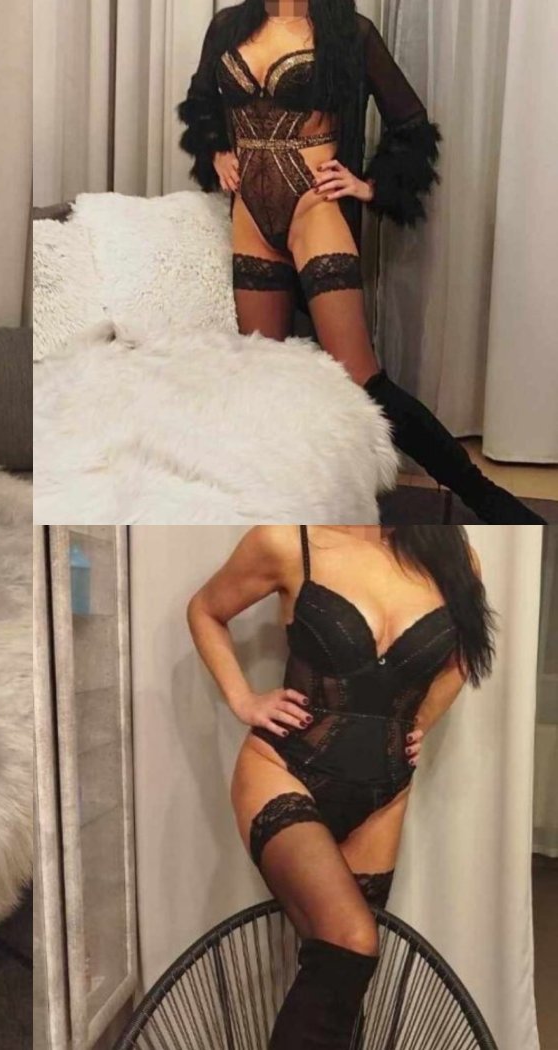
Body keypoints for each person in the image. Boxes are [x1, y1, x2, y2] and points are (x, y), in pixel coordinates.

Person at [177, 0, 543, 524]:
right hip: (251, 218)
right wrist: (216, 150)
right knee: (261, 374)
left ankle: (484, 496)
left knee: (361, 378)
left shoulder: (350, 32)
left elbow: (411, 125)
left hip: (314, 208)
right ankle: (283, 503)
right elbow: (200, 104)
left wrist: (371, 185)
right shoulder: (228, 26)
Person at [187, 525, 496, 1049]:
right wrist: (243, 699)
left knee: (342, 981)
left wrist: (419, 721)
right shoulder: (288, 539)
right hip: (283, 768)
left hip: (384, 797)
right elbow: (205, 609)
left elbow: (465, 654)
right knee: (353, 942)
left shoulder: (452, 553)